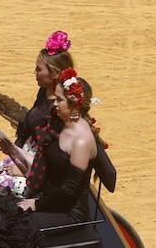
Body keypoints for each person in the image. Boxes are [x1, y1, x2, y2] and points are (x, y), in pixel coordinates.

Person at [18, 69, 99, 227]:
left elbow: (68, 191)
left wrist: (36, 204)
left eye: (59, 100)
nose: (54, 104)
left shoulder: (81, 141)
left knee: (16, 224)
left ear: (74, 103)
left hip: (69, 213)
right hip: (48, 199)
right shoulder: (61, 123)